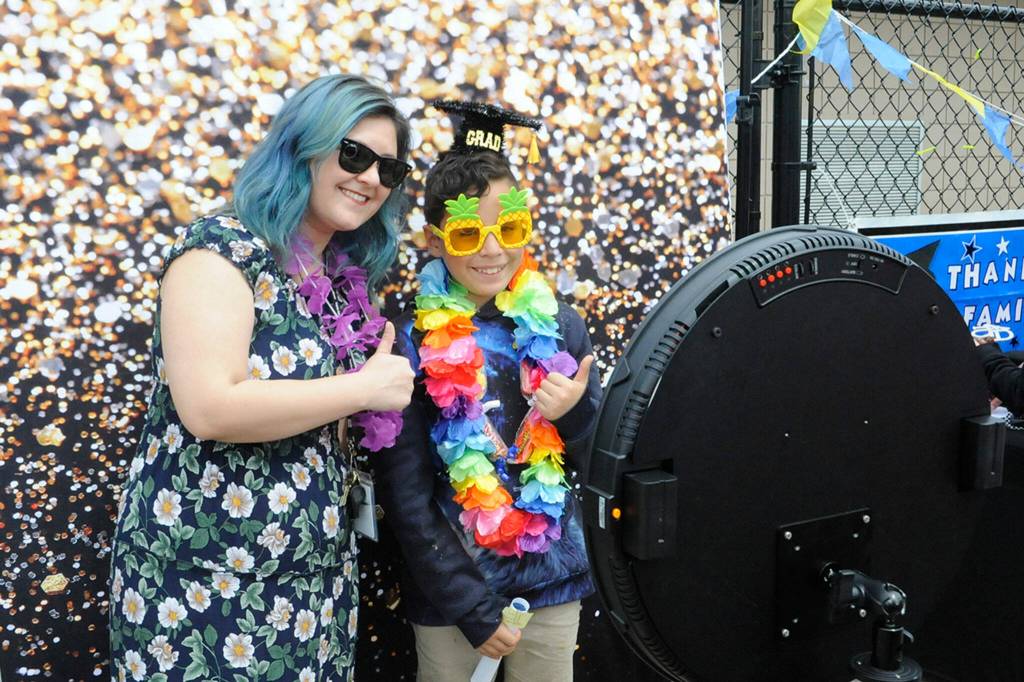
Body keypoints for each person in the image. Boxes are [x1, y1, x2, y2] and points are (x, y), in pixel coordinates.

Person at [108, 74, 415, 682]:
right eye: (354, 154)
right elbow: (210, 407)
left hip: (313, 582)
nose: (371, 179)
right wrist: (362, 389)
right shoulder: (220, 249)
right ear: (303, 145)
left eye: (390, 169)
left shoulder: (338, 277)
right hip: (205, 584)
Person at [374, 100, 601, 682]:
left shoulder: (561, 326)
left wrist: (574, 416)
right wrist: (472, 609)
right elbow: (406, 496)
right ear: (434, 239)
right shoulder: (406, 342)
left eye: (510, 229)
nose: (493, 250)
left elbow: (600, 456)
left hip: (552, 583)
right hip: (451, 597)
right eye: (468, 233)